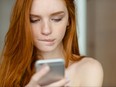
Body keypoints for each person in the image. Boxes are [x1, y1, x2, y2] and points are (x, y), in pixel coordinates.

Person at [0, 0, 104, 86]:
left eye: (56, 19)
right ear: (23, 23)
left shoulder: (88, 69)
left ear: (69, 20)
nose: (46, 30)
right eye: (34, 20)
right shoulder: (6, 73)